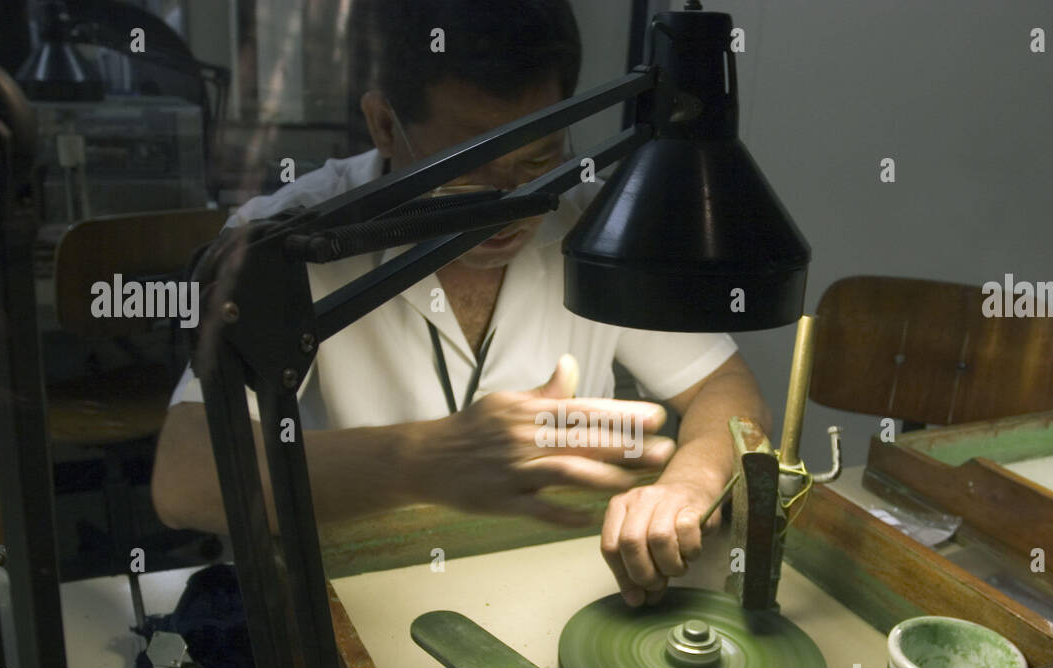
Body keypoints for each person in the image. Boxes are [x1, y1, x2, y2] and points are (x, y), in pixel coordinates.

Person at [152, 0, 772, 608]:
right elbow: (187, 476)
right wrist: (422, 459)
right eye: (467, 170)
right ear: (384, 126)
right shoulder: (287, 244)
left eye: (538, 157)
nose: (511, 205)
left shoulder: (598, 222)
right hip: (359, 593)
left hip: (555, 583)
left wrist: (688, 486)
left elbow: (727, 389)